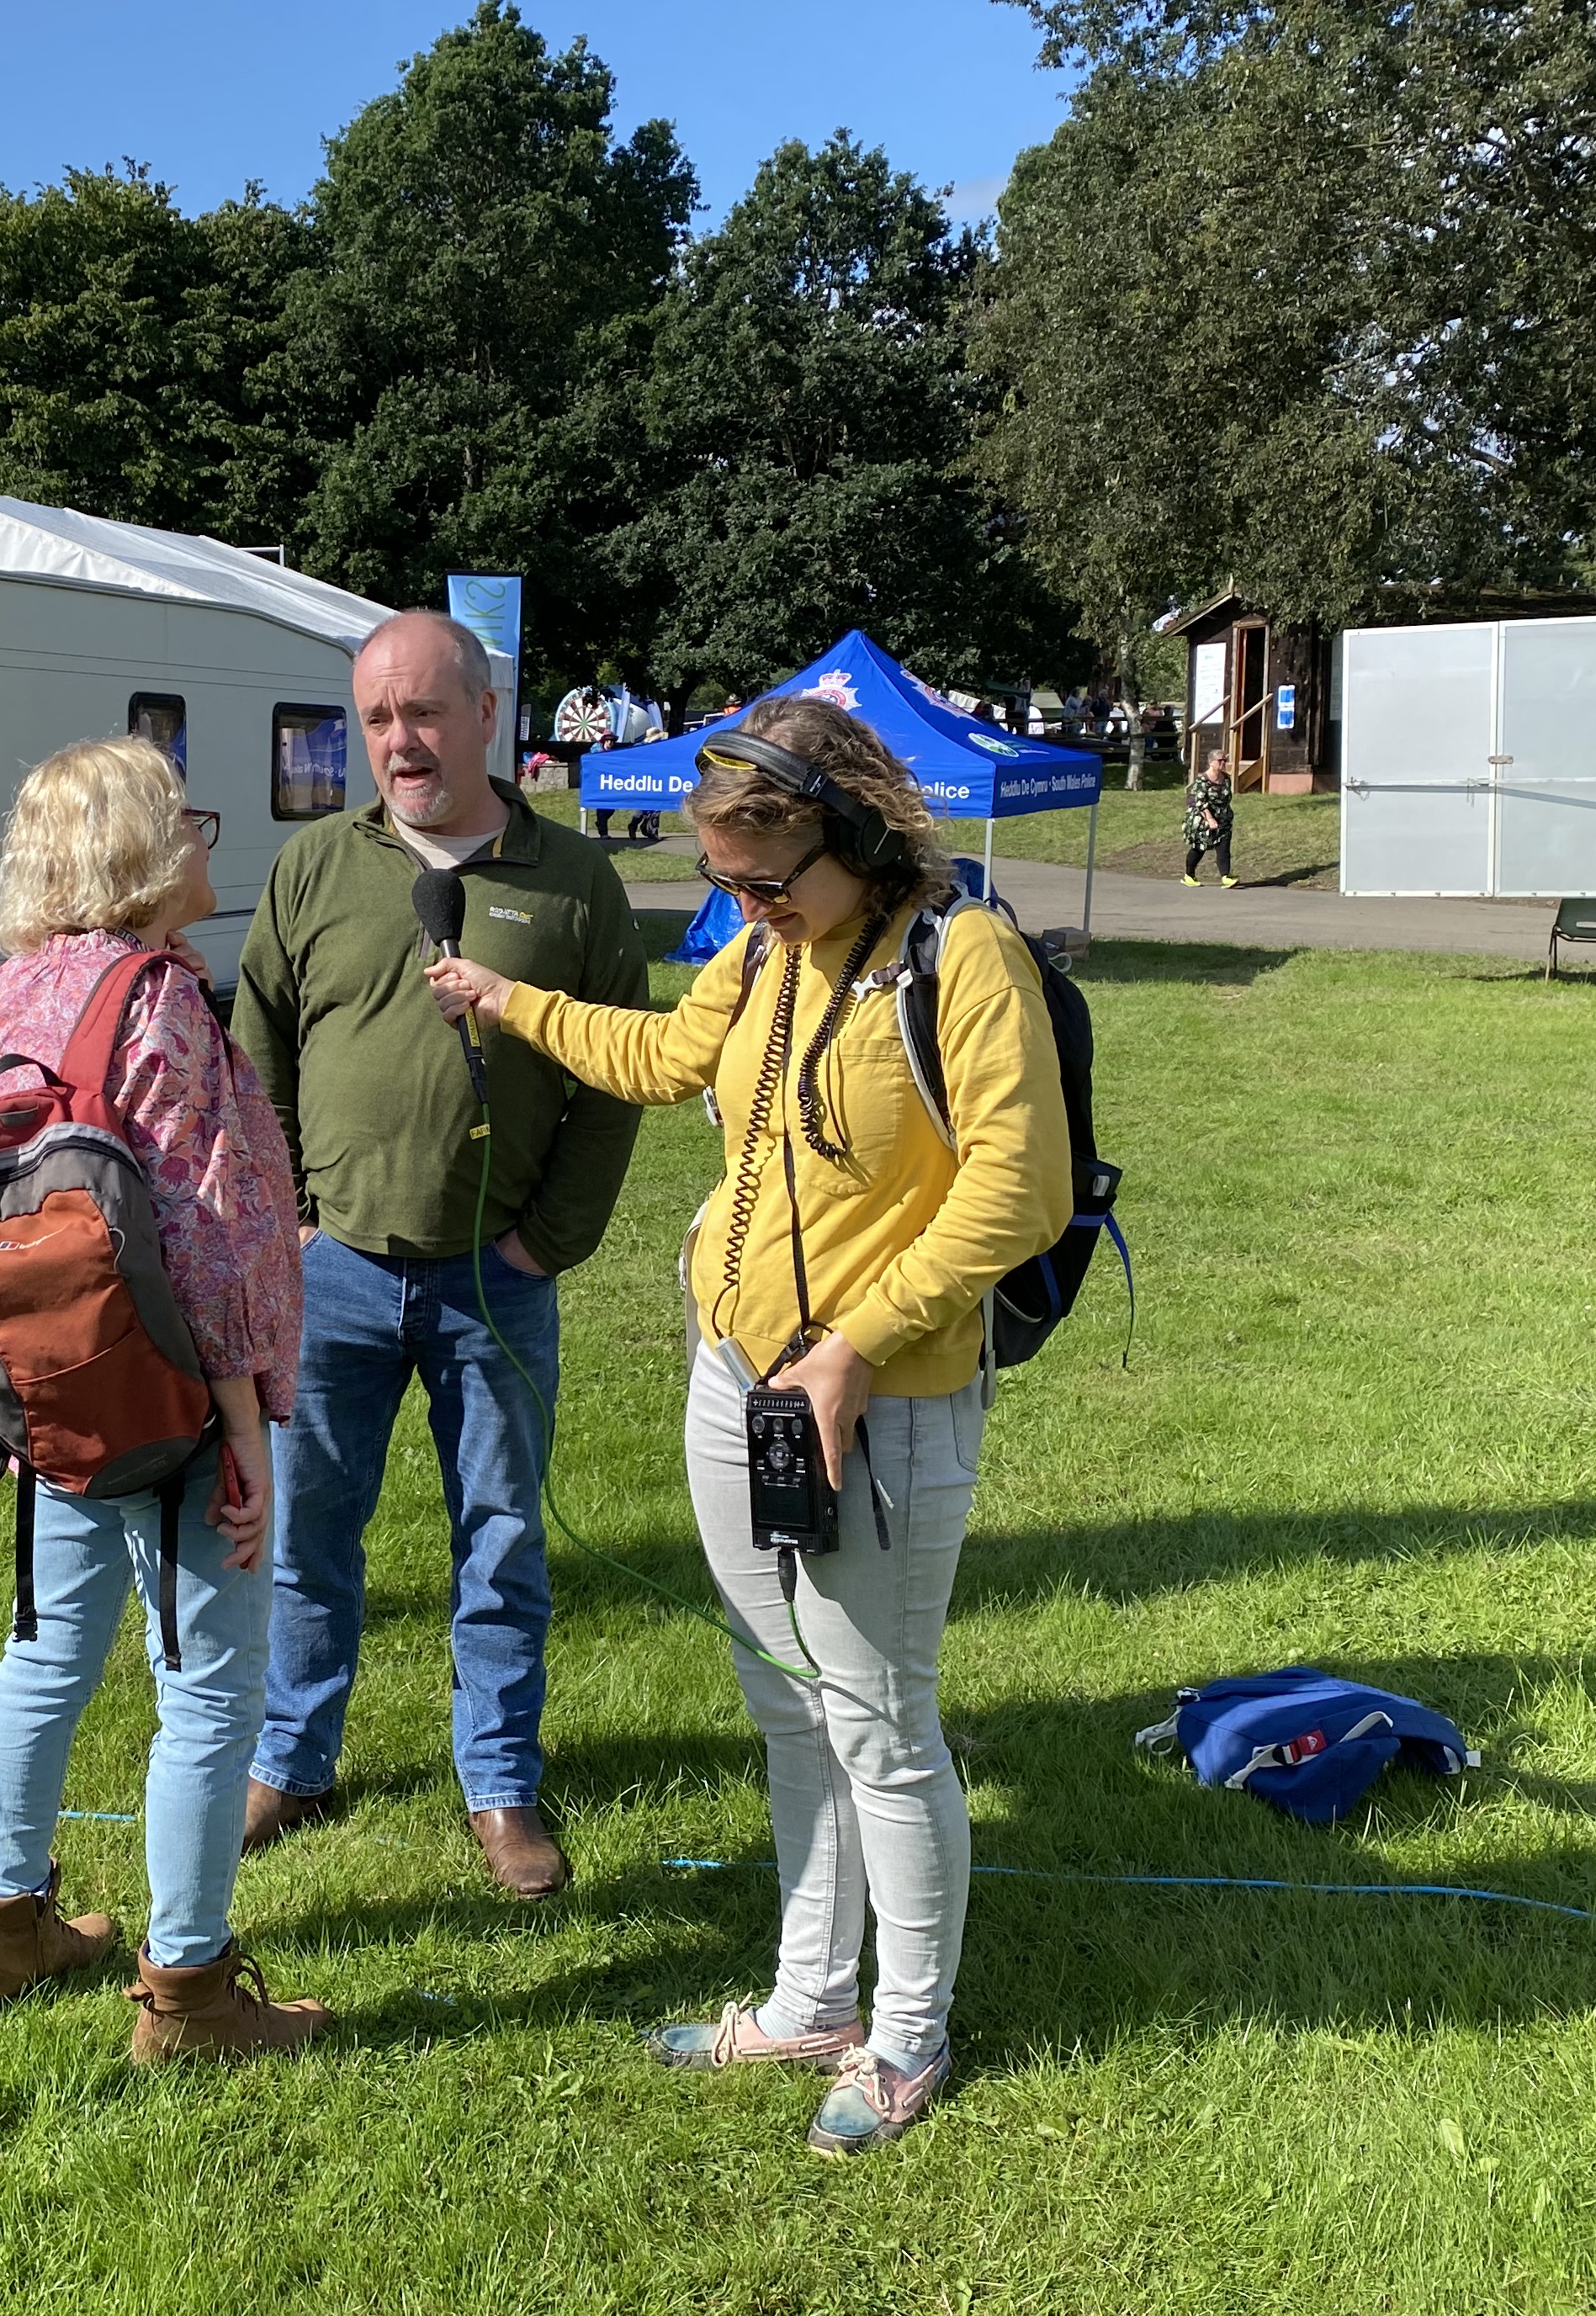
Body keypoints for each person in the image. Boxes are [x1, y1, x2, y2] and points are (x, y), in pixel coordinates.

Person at [420, 694, 1069, 2154]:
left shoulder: (964, 959)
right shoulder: (766, 952)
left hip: (877, 1396)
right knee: (784, 1695)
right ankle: (807, 1998)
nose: (750, 909)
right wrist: (504, 997)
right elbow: (662, 1057)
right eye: (725, 886)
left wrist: (851, 1346)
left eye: (770, 879)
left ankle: (908, 2032)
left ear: (852, 834)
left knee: (881, 1720)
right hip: (739, 1374)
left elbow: (1017, 1187)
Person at [231, 609, 651, 1899]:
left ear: (487, 717)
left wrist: (547, 1242)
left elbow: (615, 1081)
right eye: (376, 719)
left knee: (502, 1537)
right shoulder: (314, 867)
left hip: (496, 1284)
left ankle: (502, 1785)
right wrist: (292, 1216)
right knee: (308, 1533)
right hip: (337, 1272)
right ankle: (293, 1758)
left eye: (422, 712)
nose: (399, 742)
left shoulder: (573, 880)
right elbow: (260, 1050)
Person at [0, 738, 326, 2060]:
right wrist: (246, 1433)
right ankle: (191, 1996)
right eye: (192, 822)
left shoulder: (16, 989)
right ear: (143, 852)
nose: (210, 846)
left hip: (54, 1388)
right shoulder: (158, 997)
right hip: (168, 1395)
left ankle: (8, 1926)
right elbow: (212, 1235)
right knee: (211, 1693)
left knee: (47, 1654)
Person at [1182, 749, 1237, 887]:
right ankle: (1189, 875)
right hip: (1203, 819)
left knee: (1223, 847)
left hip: (1223, 819)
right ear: (1211, 762)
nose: (1223, 763)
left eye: (1225, 760)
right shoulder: (1202, 781)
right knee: (1200, 847)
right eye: (1220, 761)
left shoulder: (1226, 778)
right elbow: (1199, 803)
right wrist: (1210, 819)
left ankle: (1226, 877)